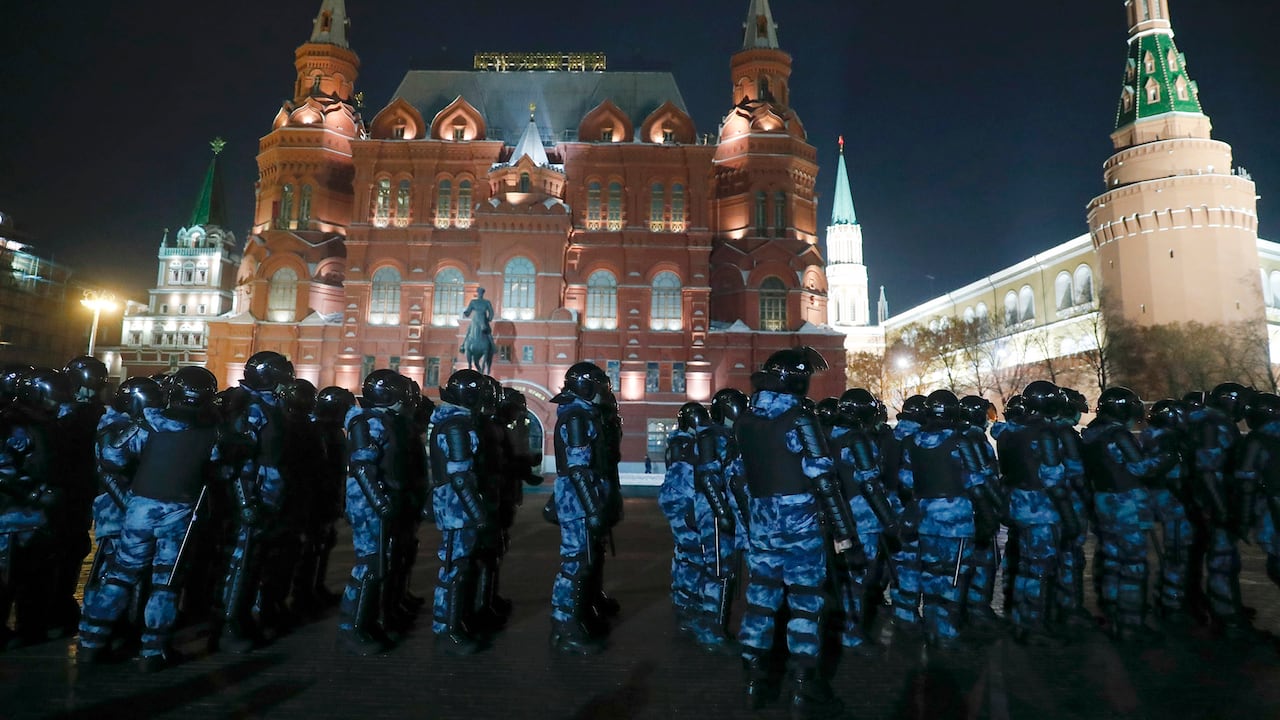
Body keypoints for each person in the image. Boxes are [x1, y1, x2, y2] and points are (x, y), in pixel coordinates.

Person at [735, 347, 860, 718]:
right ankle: (806, 689)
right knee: (806, 602)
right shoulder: (799, 419)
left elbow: (738, 478)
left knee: (760, 600)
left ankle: (754, 682)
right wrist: (845, 535)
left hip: (762, 524)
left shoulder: (745, 420)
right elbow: (824, 480)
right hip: (800, 525)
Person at [77, 367, 222, 672]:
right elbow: (220, 464)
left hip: (141, 507)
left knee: (120, 575)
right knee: (165, 583)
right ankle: (153, 650)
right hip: (180, 512)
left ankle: (91, 642)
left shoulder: (150, 423)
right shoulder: (213, 431)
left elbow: (113, 457)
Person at [898, 390, 1001, 650]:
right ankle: (946, 635)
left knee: (931, 576)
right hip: (956, 520)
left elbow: (905, 482)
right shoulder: (961, 442)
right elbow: (977, 484)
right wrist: (989, 516)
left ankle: (934, 630)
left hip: (925, 519)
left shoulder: (912, 441)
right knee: (953, 578)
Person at [1081, 386, 1178, 644]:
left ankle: (1113, 614)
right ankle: (1130, 623)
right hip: (1126, 504)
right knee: (1133, 565)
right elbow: (1141, 468)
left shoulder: (1091, 433)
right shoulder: (1118, 434)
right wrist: (1171, 457)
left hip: (1103, 500)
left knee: (1112, 561)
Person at [218, 350, 294, 652]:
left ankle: (247, 615)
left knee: (257, 560)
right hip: (252, 496)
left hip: (269, 495)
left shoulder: (268, 404)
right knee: (242, 560)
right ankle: (230, 621)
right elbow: (239, 459)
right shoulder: (249, 407)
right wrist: (246, 501)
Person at [991, 381, 1074, 646]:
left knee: (1024, 567)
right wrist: (1070, 516)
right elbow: (1054, 479)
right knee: (1039, 569)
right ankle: (1033, 625)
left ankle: (1020, 620)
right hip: (1041, 509)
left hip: (1018, 505)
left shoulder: (1009, 432)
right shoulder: (1045, 433)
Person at [337, 369, 411, 655]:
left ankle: (366, 622)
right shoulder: (367, 422)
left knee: (380, 564)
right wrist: (380, 503)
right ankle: (352, 627)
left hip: (380, 500)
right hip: (369, 504)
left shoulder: (383, 420)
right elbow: (363, 468)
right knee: (369, 564)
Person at [548, 362, 613, 655]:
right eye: (599, 384)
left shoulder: (583, 413)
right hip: (577, 501)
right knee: (575, 564)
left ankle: (578, 618)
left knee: (584, 561)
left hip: (581, 499)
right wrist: (593, 508)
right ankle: (565, 627)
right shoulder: (576, 417)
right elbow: (577, 469)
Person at [429, 369, 489, 655]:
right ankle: (446, 631)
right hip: (456, 507)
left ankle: (457, 622)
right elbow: (461, 476)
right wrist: (478, 514)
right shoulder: (456, 426)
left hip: (457, 504)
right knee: (453, 567)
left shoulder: (458, 422)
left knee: (461, 566)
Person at [1140, 399, 1197, 625]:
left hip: (1156, 499)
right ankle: (1171, 603)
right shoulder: (1169, 440)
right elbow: (1173, 475)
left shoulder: (1148, 436)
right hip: (1171, 501)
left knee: (1169, 554)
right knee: (1176, 555)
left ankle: (1165, 598)